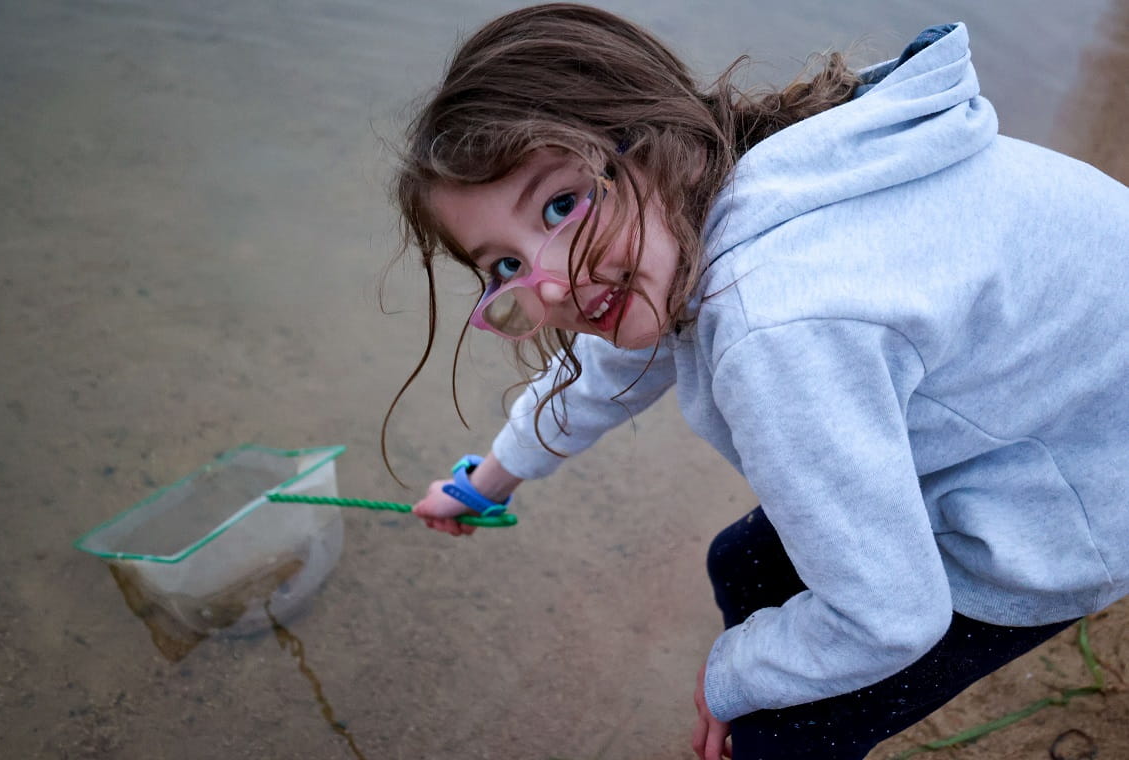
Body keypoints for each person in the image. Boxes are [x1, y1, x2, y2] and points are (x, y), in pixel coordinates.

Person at [385, 4, 1129, 758]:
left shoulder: (775, 326)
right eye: (504, 266)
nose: (547, 284)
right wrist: (492, 478)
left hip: (1080, 503)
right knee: (741, 565)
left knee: (776, 735)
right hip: (1060, 406)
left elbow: (893, 616)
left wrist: (732, 676)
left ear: (649, 137)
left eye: (558, 204)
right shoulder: (753, 172)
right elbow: (613, 369)